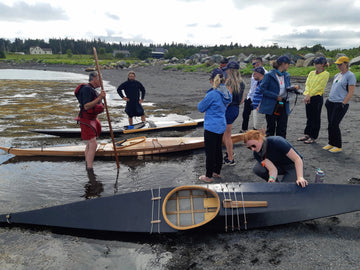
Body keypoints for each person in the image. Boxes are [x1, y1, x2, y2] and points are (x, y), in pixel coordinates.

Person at [198, 68, 232, 182]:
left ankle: (208, 176)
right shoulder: (226, 93)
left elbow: (200, 108)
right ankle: (216, 172)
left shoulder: (213, 94)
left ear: (212, 80)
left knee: (210, 151)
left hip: (212, 126)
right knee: (218, 149)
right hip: (221, 124)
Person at [244, 130, 308, 188]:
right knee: (258, 169)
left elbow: (297, 159)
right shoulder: (257, 153)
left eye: (253, 146)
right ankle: (275, 183)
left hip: (292, 166)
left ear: (260, 139)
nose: (252, 149)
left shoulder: (277, 142)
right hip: (278, 166)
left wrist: (300, 177)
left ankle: (293, 176)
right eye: (249, 148)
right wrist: (272, 178)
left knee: (286, 188)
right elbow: (272, 169)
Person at [258, 55, 299, 138]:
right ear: (283, 64)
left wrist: (293, 88)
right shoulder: (269, 75)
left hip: (283, 103)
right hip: (272, 104)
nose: (289, 66)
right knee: (271, 127)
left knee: (282, 126)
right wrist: (275, 96)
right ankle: (269, 147)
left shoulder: (286, 75)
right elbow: (262, 89)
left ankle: (281, 146)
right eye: (288, 64)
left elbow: (287, 87)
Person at [323, 56, 356, 153]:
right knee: (330, 124)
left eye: (340, 64)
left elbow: (350, 92)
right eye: (337, 64)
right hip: (331, 102)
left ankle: (338, 145)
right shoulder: (337, 75)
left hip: (340, 103)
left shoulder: (350, 76)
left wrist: (343, 103)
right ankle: (331, 143)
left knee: (335, 124)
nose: (338, 66)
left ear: (346, 64)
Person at [74, 71, 106, 170]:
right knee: (93, 144)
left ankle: (88, 164)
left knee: (90, 143)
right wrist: (100, 97)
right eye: (100, 79)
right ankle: (89, 168)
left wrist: (100, 98)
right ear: (95, 78)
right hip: (86, 119)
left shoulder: (91, 89)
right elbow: (87, 106)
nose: (101, 82)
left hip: (90, 118)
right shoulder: (87, 89)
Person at [297, 56, 329, 144]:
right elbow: (307, 84)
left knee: (315, 117)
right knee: (309, 116)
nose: (316, 65)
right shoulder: (311, 73)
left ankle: (313, 136)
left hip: (317, 97)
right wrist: (307, 94)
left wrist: (309, 95)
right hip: (308, 96)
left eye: (318, 63)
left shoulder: (325, 74)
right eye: (315, 63)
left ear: (323, 64)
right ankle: (307, 134)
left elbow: (320, 87)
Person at [222, 61, 245, 165]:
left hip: (229, 109)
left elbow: (228, 98)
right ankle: (229, 152)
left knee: (227, 135)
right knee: (226, 134)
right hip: (235, 108)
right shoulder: (242, 82)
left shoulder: (229, 82)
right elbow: (242, 100)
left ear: (230, 70)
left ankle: (230, 158)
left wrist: (222, 109)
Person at [241, 57, 266, 132]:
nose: (252, 65)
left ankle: (257, 131)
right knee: (245, 114)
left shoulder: (265, 73)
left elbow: (264, 90)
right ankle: (244, 129)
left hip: (259, 99)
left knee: (258, 117)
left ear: (259, 63)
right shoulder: (254, 73)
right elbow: (252, 85)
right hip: (251, 96)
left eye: (253, 63)